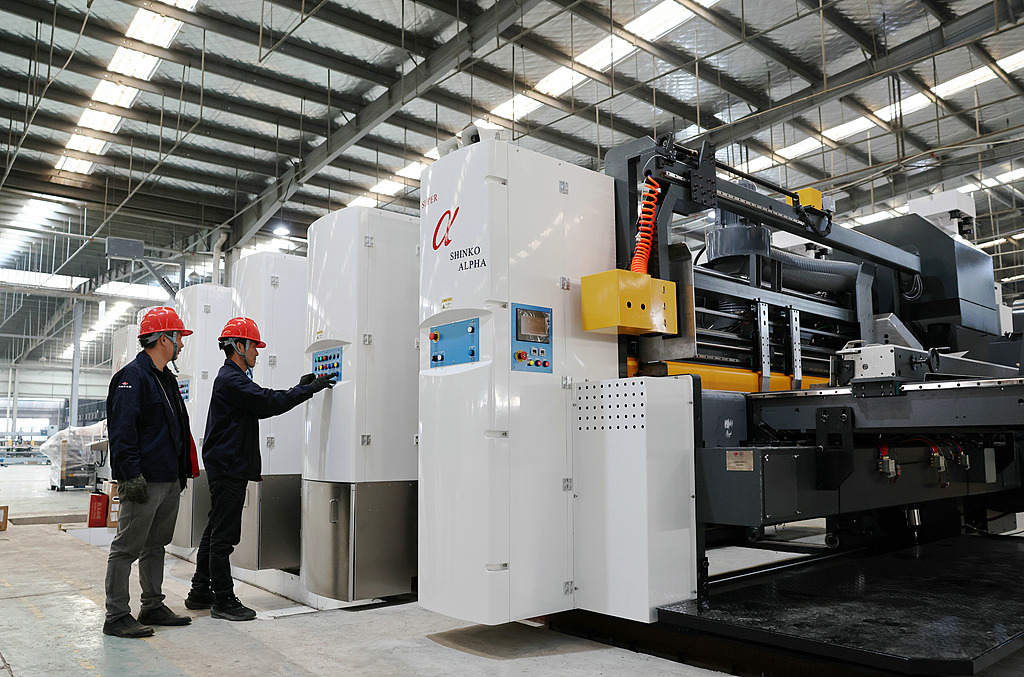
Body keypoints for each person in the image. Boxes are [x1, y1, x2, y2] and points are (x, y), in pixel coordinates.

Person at [185, 317, 335, 621]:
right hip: (229, 468)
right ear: (238, 346)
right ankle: (223, 600)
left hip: (225, 465)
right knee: (223, 537)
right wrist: (308, 390)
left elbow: (263, 398)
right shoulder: (231, 379)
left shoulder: (232, 378)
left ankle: (200, 590)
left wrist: (298, 388)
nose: (257, 352)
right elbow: (268, 403)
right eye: (253, 346)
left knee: (215, 529)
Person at [104, 307, 199, 638]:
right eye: (179, 338)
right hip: (144, 481)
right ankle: (116, 615)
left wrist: (181, 474)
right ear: (163, 339)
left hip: (169, 479)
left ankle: (152, 604)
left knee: (156, 544)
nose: (182, 345)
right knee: (126, 547)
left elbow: (176, 430)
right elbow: (122, 431)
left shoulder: (165, 380)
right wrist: (129, 477)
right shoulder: (133, 378)